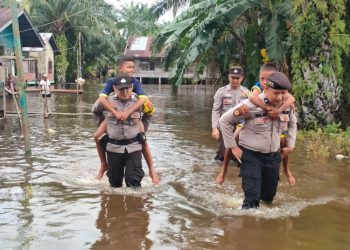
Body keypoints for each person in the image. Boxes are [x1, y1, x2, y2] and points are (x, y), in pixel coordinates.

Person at [219, 72, 297, 209]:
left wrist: (290, 145)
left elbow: (292, 124)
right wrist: (233, 147)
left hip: (273, 157)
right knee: (251, 201)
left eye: (283, 93)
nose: (280, 97)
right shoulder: (250, 105)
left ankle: (264, 227)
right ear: (266, 89)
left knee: (268, 198)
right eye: (276, 93)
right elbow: (224, 120)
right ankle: (248, 226)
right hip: (251, 156)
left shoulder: (286, 106)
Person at [93, 56, 159, 184]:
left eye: (133, 67)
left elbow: (145, 103)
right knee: (96, 136)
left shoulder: (135, 82)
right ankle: (103, 164)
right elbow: (99, 104)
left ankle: (152, 170)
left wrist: (140, 125)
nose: (131, 70)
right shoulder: (111, 83)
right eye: (129, 67)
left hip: (135, 119)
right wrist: (108, 120)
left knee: (142, 139)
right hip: (112, 118)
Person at [95, 75, 147, 187]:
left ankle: (135, 204)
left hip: (134, 148)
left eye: (127, 88)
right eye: (121, 88)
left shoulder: (140, 101)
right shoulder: (106, 101)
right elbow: (95, 111)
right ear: (114, 88)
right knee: (114, 184)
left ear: (132, 87)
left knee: (134, 182)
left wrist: (143, 129)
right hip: (113, 149)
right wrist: (103, 124)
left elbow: (150, 113)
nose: (125, 91)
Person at [249, 62, 296, 185]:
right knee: (237, 132)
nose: (265, 81)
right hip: (254, 118)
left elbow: (291, 99)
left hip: (274, 125)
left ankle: (286, 169)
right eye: (262, 78)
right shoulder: (258, 87)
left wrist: (278, 110)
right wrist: (267, 108)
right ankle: (236, 153)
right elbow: (252, 98)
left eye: (268, 79)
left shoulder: (280, 89)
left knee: (284, 142)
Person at [212, 66, 249, 164]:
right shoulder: (222, 92)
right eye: (233, 77)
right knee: (223, 154)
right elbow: (216, 110)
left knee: (239, 154)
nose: (235, 80)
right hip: (225, 126)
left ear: (242, 78)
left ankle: (235, 175)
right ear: (229, 77)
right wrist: (215, 128)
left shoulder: (247, 92)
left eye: (237, 78)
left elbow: (251, 110)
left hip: (240, 126)